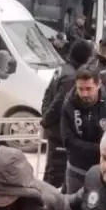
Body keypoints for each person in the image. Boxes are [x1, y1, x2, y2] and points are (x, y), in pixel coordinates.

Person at [62, 66, 106, 194]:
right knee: (73, 204)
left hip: (104, 173)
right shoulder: (69, 105)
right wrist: (102, 148)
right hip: (77, 171)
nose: (84, 94)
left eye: (89, 89)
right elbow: (68, 141)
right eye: (80, 89)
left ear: (99, 84)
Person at [42, 40, 94, 188]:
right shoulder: (71, 77)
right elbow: (59, 104)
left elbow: (47, 95)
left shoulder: (62, 69)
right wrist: (46, 120)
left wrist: (45, 116)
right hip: (60, 133)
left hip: (54, 130)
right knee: (56, 177)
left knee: (50, 171)